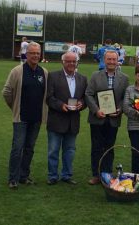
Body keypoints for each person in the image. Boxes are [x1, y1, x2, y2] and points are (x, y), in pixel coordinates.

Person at [2, 42, 48, 189]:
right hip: (21, 118)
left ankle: (24, 176)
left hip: (37, 118)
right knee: (17, 148)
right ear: (26, 54)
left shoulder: (44, 72)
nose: (35, 56)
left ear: (40, 55)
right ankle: (13, 178)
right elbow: (7, 92)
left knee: (29, 148)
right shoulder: (17, 71)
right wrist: (14, 107)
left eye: (37, 53)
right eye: (32, 53)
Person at [85, 50, 129, 185]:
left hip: (113, 119)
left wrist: (120, 109)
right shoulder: (95, 76)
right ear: (104, 60)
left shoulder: (124, 78)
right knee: (97, 147)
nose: (111, 62)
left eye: (113, 59)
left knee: (109, 147)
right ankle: (96, 175)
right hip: (98, 118)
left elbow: (124, 98)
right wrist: (96, 110)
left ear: (117, 61)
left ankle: (107, 174)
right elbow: (88, 94)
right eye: (108, 59)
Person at [46, 52, 87, 185]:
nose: (71, 64)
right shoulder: (52, 76)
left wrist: (82, 104)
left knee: (70, 151)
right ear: (62, 62)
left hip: (73, 121)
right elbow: (49, 97)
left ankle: (67, 175)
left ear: (77, 63)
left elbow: (86, 98)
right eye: (68, 61)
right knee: (53, 150)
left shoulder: (82, 78)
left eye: (74, 62)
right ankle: (52, 176)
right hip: (56, 119)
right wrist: (60, 105)